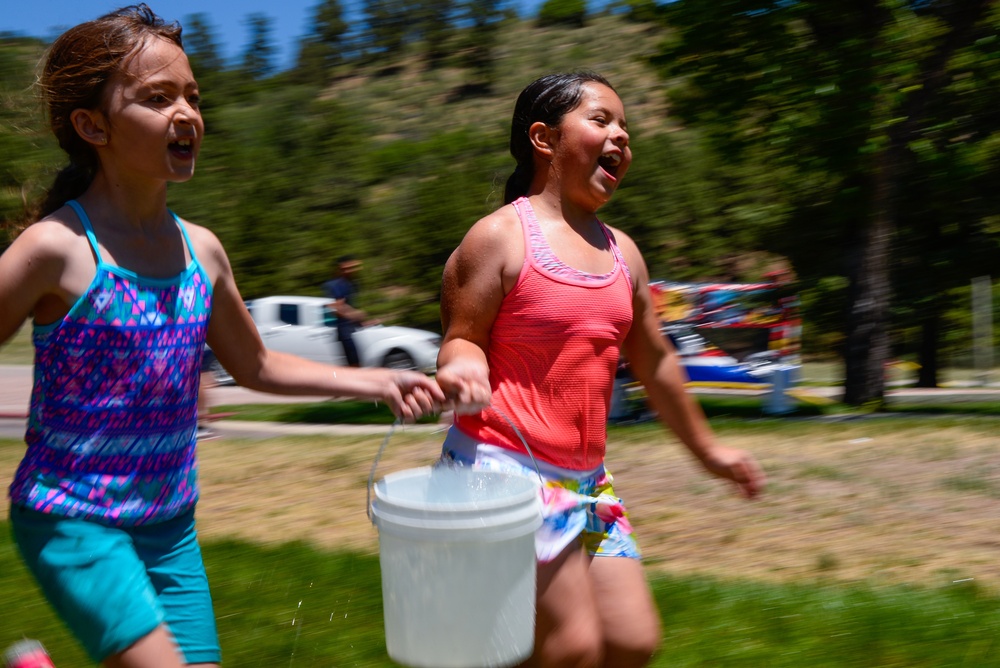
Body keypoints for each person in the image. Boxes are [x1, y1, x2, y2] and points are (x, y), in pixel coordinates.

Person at [0, 6, 444, 668]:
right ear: (92, 126)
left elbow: (258, 364)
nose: (186, 113)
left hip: (170, 525)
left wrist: (379, 379)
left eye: (192, 97)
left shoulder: (201, 251)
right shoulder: (57, 248)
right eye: (156, 98)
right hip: (73, 519)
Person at [434, 71, 766, 668]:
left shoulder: (623, 254)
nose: (621, 136)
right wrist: (462, 371)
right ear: (544, 138)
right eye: (601, 120)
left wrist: (710, 452)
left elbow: (656, 361)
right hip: (503, 471)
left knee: (631, 640)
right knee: (571, 649)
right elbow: (462, 339)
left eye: (626, 128)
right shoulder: (501, 238)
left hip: (587, 481)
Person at [322, 255, 373, 367]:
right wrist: (356, 314)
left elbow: (347, 306)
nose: (353, 270)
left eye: (355, 267)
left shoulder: (351, 284)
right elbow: (336, 307)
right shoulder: (334, 285)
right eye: (349, 267)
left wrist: (362, 322)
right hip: (344, 331)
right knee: (354, 365)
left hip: (353, 329)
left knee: (360, 363)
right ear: (341, 268)